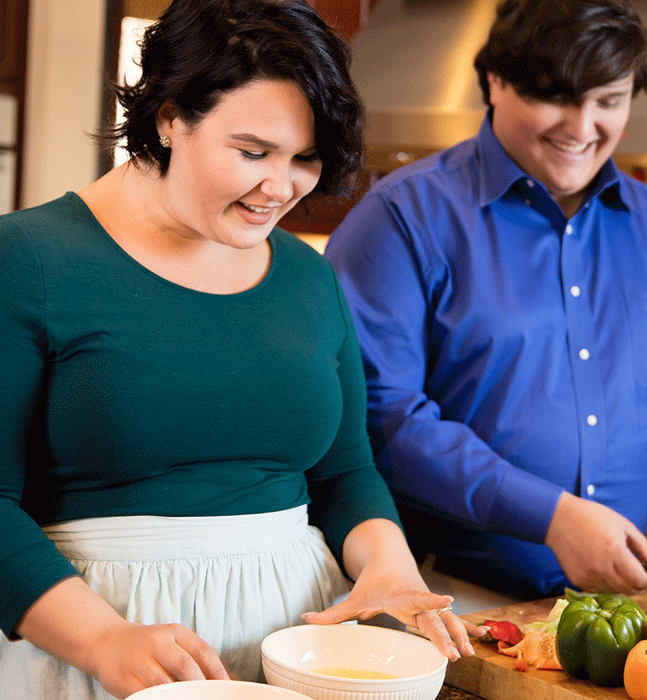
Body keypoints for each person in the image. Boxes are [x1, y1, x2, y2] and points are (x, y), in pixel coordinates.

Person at [0, 1, 487, 697]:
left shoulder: (308, 276)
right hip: (94, 648)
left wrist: (387, 564)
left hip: (301, 650)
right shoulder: (27, 258)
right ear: (170, 117)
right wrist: (104, 640)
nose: (278, 188)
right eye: (252, 152)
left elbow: (345, 472)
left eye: (305, 159)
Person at [326, 0, 647, 601]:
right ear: (496, 81)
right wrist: (552, 516)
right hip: (444, 597)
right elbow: (382, 419)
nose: (582, 128)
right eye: (557, 96)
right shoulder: (402, 219)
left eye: (608, 101)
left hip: (623, 609)